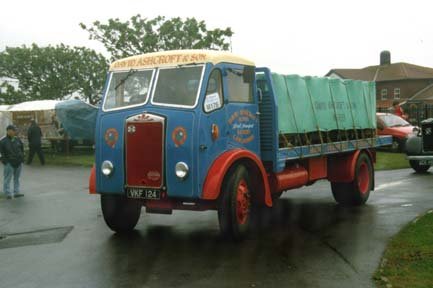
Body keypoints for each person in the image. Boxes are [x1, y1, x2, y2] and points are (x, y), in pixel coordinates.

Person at [0, 125, 25, 199]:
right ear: (8, 131)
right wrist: (5, 162)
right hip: (9, 163)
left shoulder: (17, 139)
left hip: (18, 162)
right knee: (7, 178)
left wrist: (22, 158)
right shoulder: (3, 141)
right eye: (13, 130)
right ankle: (7, 193)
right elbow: (1, 153)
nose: (14, 132)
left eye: (15, 130)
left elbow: (21, 148)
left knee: (16, 178)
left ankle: (16, 192)